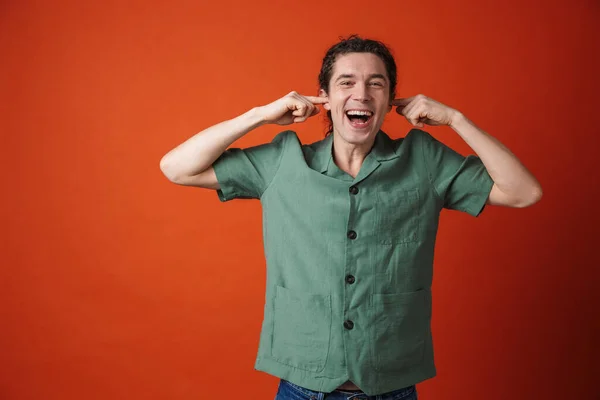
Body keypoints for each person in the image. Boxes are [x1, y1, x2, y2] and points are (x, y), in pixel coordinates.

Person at [159, 35, 542, 400]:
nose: (361, 93)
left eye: (376, 84)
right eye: (346, 82)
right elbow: (177, 168)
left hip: (392, 385)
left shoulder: (424, 159)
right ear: (324, 97)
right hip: (301, 385)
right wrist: (259, 116)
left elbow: (524, 192)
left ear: (390, 98)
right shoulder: (282, 160)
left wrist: (457, 119)